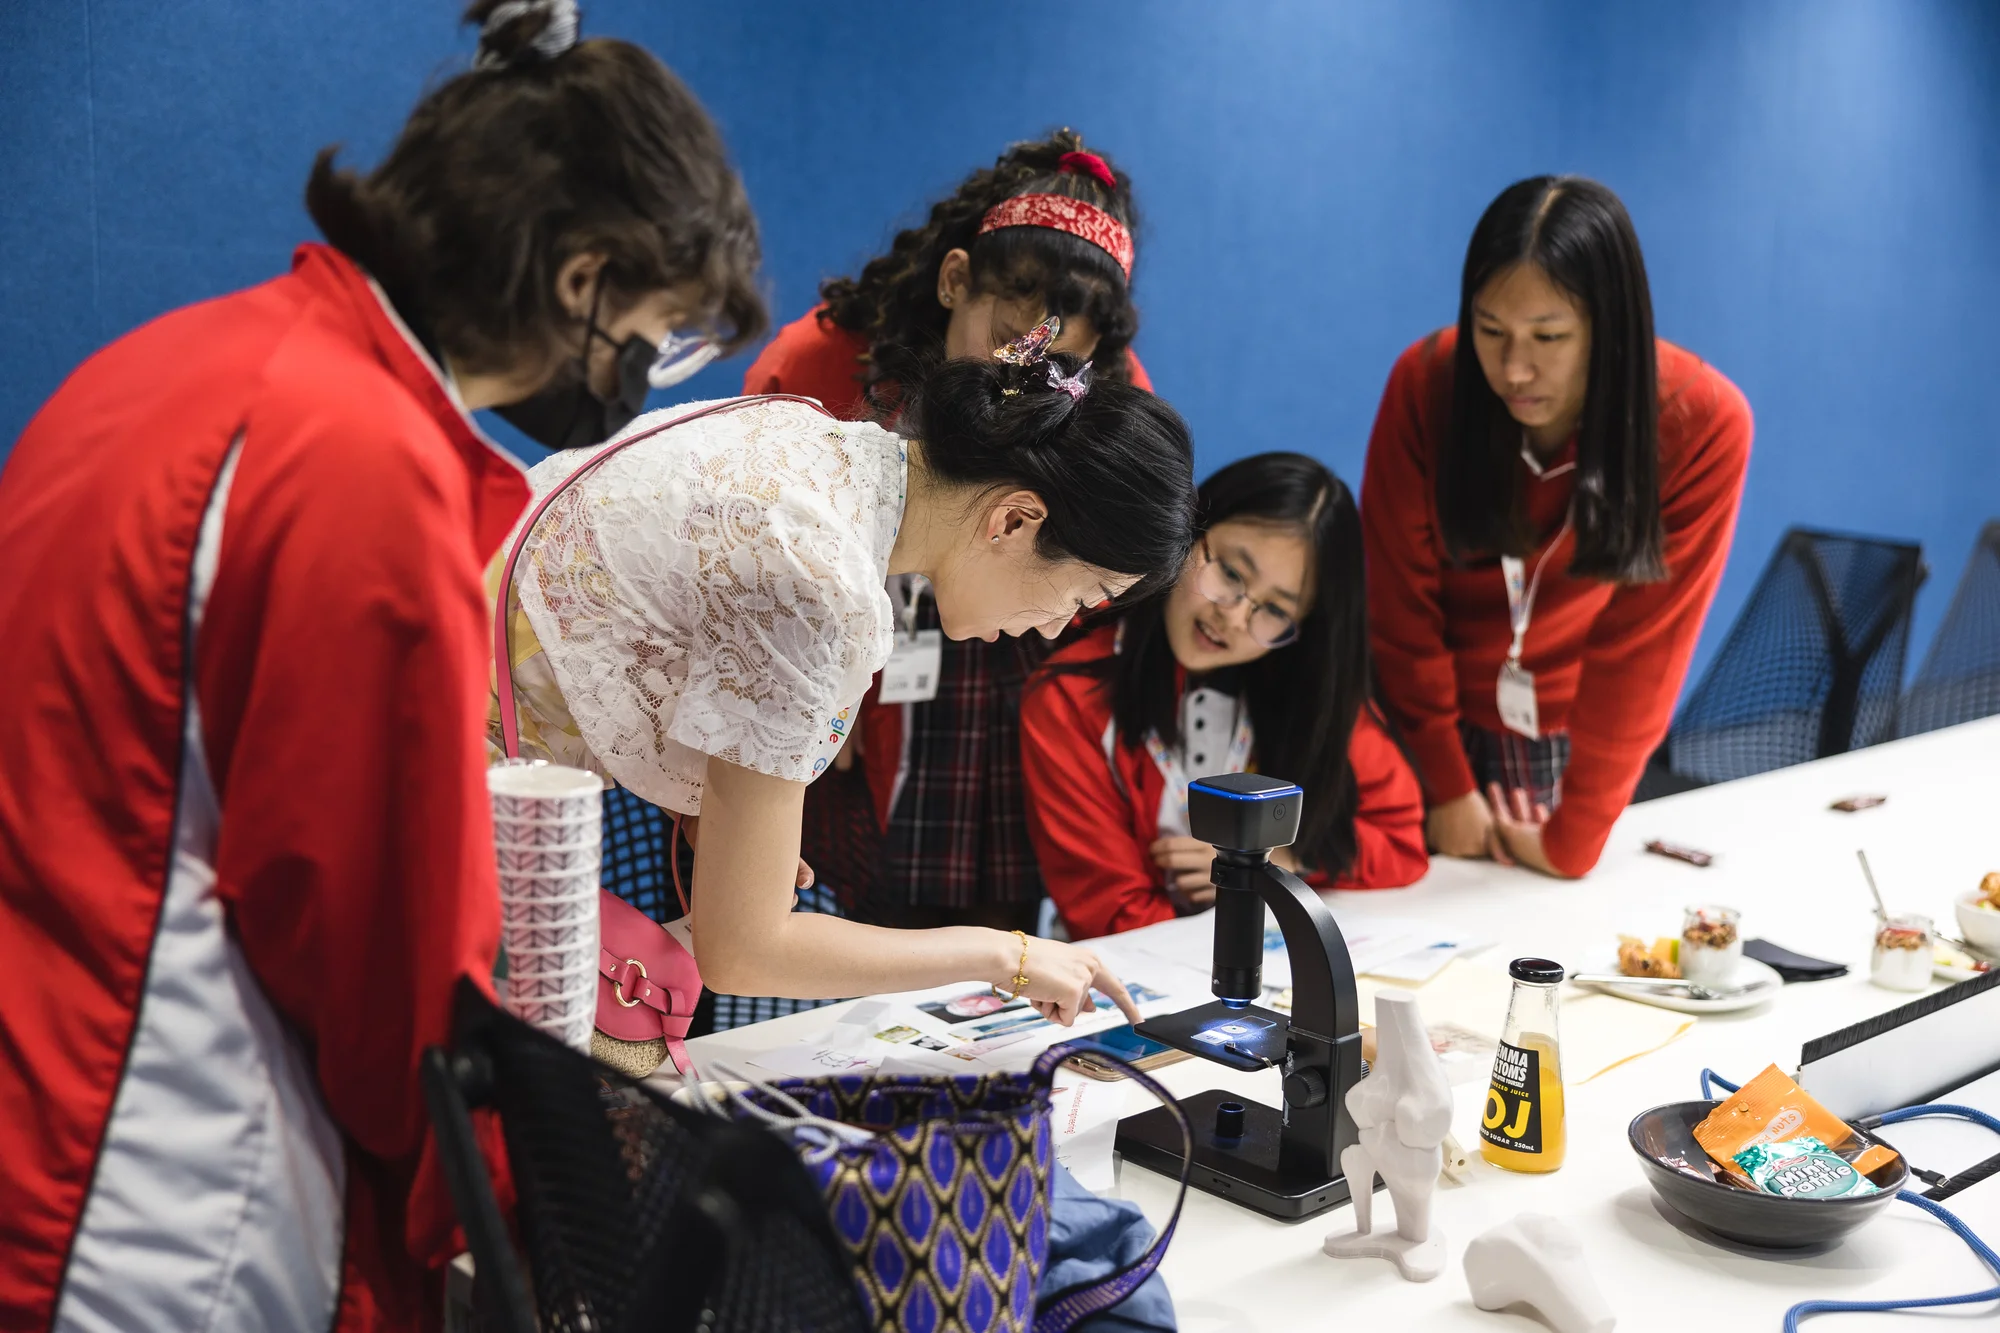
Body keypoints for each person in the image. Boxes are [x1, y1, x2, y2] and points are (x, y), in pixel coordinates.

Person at [0, 3, 764, 1327]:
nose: (651, 373)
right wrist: (533, 1208)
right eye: (664, 332)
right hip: (146, 1180)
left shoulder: (187, 359)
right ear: (583, 281)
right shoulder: (362, 465)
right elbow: (385, 966)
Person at [491, 320, 1194, 1025]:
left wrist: (721, 819)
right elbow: (744, 951)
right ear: (1013, 521)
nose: (1053, 628)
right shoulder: (820, 581)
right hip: (442, 760)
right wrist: (1007, 953)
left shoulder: (805, 435)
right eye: (1080, 597)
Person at [743, 131, 1149, 932]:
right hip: (838, 652)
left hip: (1004, 647)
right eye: (1010, 339)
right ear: (956, 277)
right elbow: (756, 534)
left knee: (997, 905)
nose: (1021, 376)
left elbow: (1118, 542)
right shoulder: (823, 358)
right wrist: (823, 675)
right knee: (834, 895)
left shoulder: (1110, 387)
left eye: (1053, 364)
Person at [1361, 175, 1753, 879]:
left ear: (1613, 326)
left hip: (1563, 732)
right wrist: (1447, 783)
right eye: (1490, 330)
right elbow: (1399, 605)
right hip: (1408, 714)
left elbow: (1643, 652)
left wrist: (1577, 835)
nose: (1514, 369)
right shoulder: (1428, 383)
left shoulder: (1700, 421)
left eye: (1550, 336)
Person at [1021, 453, 1429, 940]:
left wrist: (1277, 860)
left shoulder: (1310, 692)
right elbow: (1113, 916)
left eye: (1275, 609)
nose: (1233, 618)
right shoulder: (1069, 697)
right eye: (1231, 575)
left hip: (1253, 974)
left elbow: (1403, 845)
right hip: (1134, 974)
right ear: (1189, 529)